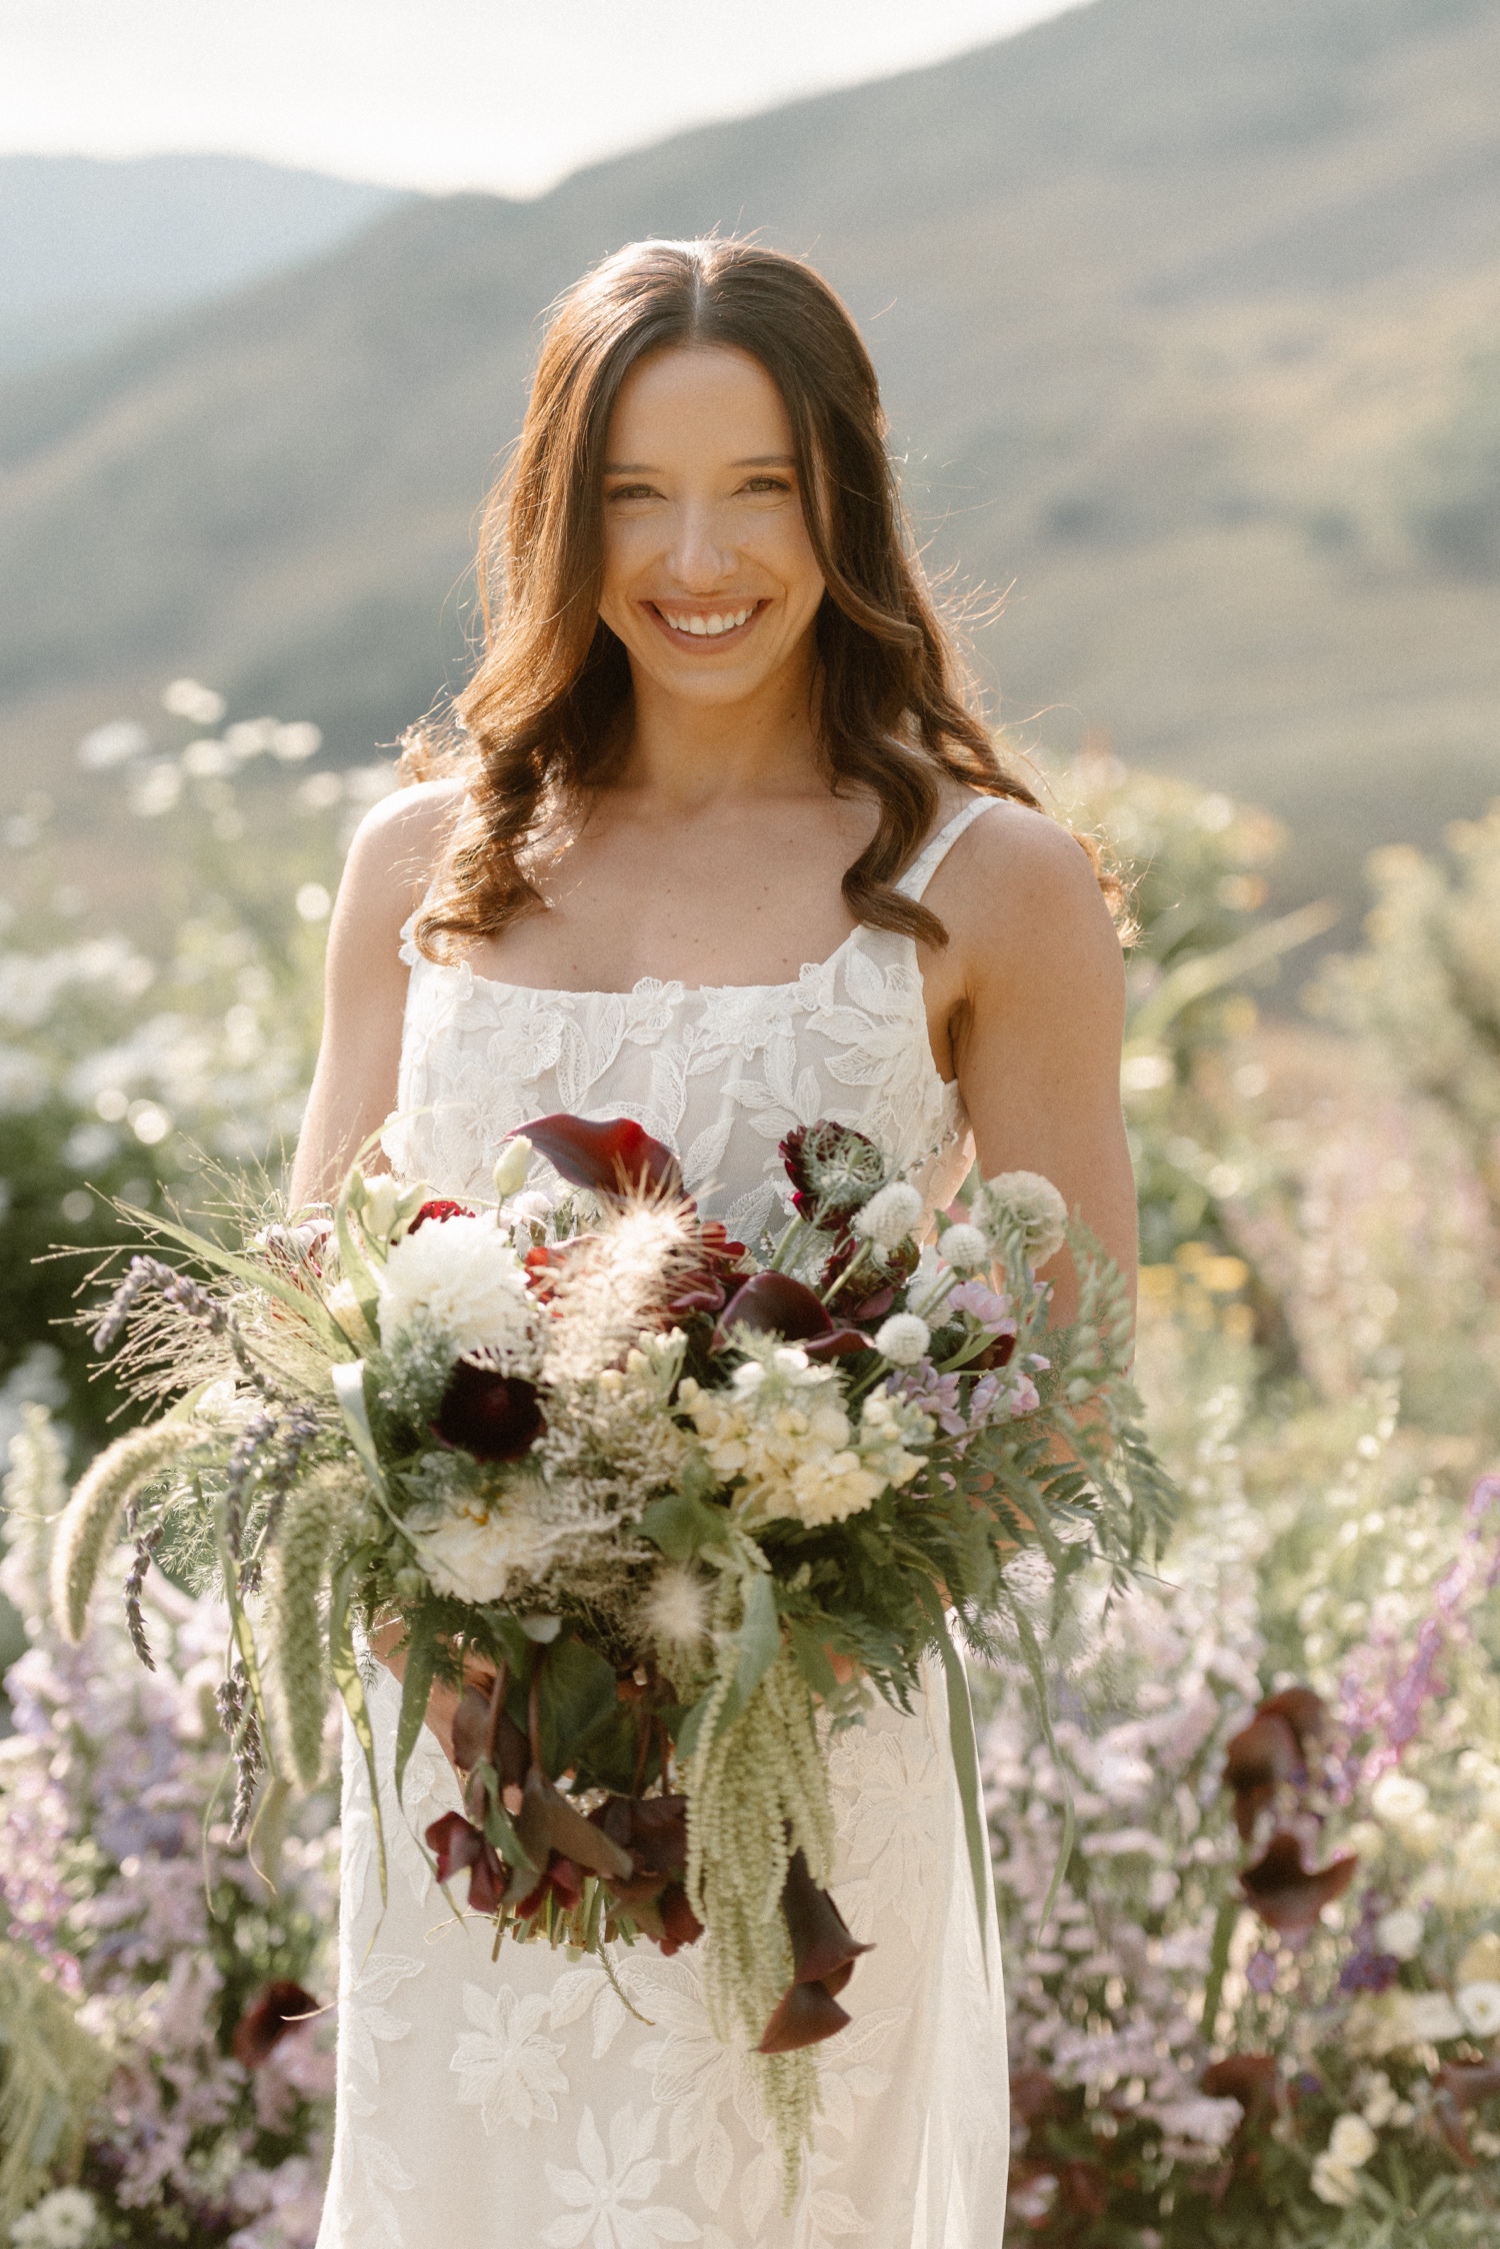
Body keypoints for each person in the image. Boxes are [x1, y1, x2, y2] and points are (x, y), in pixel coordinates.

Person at [295, 236, 1135, 2249]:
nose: (700, 554)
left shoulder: (986, 884)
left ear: (844, 499)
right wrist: (453, 1634)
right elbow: (306, 1325)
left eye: (760, 487)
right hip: (468, 1770)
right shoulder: (420, 866)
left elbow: (1073, 1385)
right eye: (634, 495)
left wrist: (779, 1615)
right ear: (555, 517)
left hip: (802, 1784)